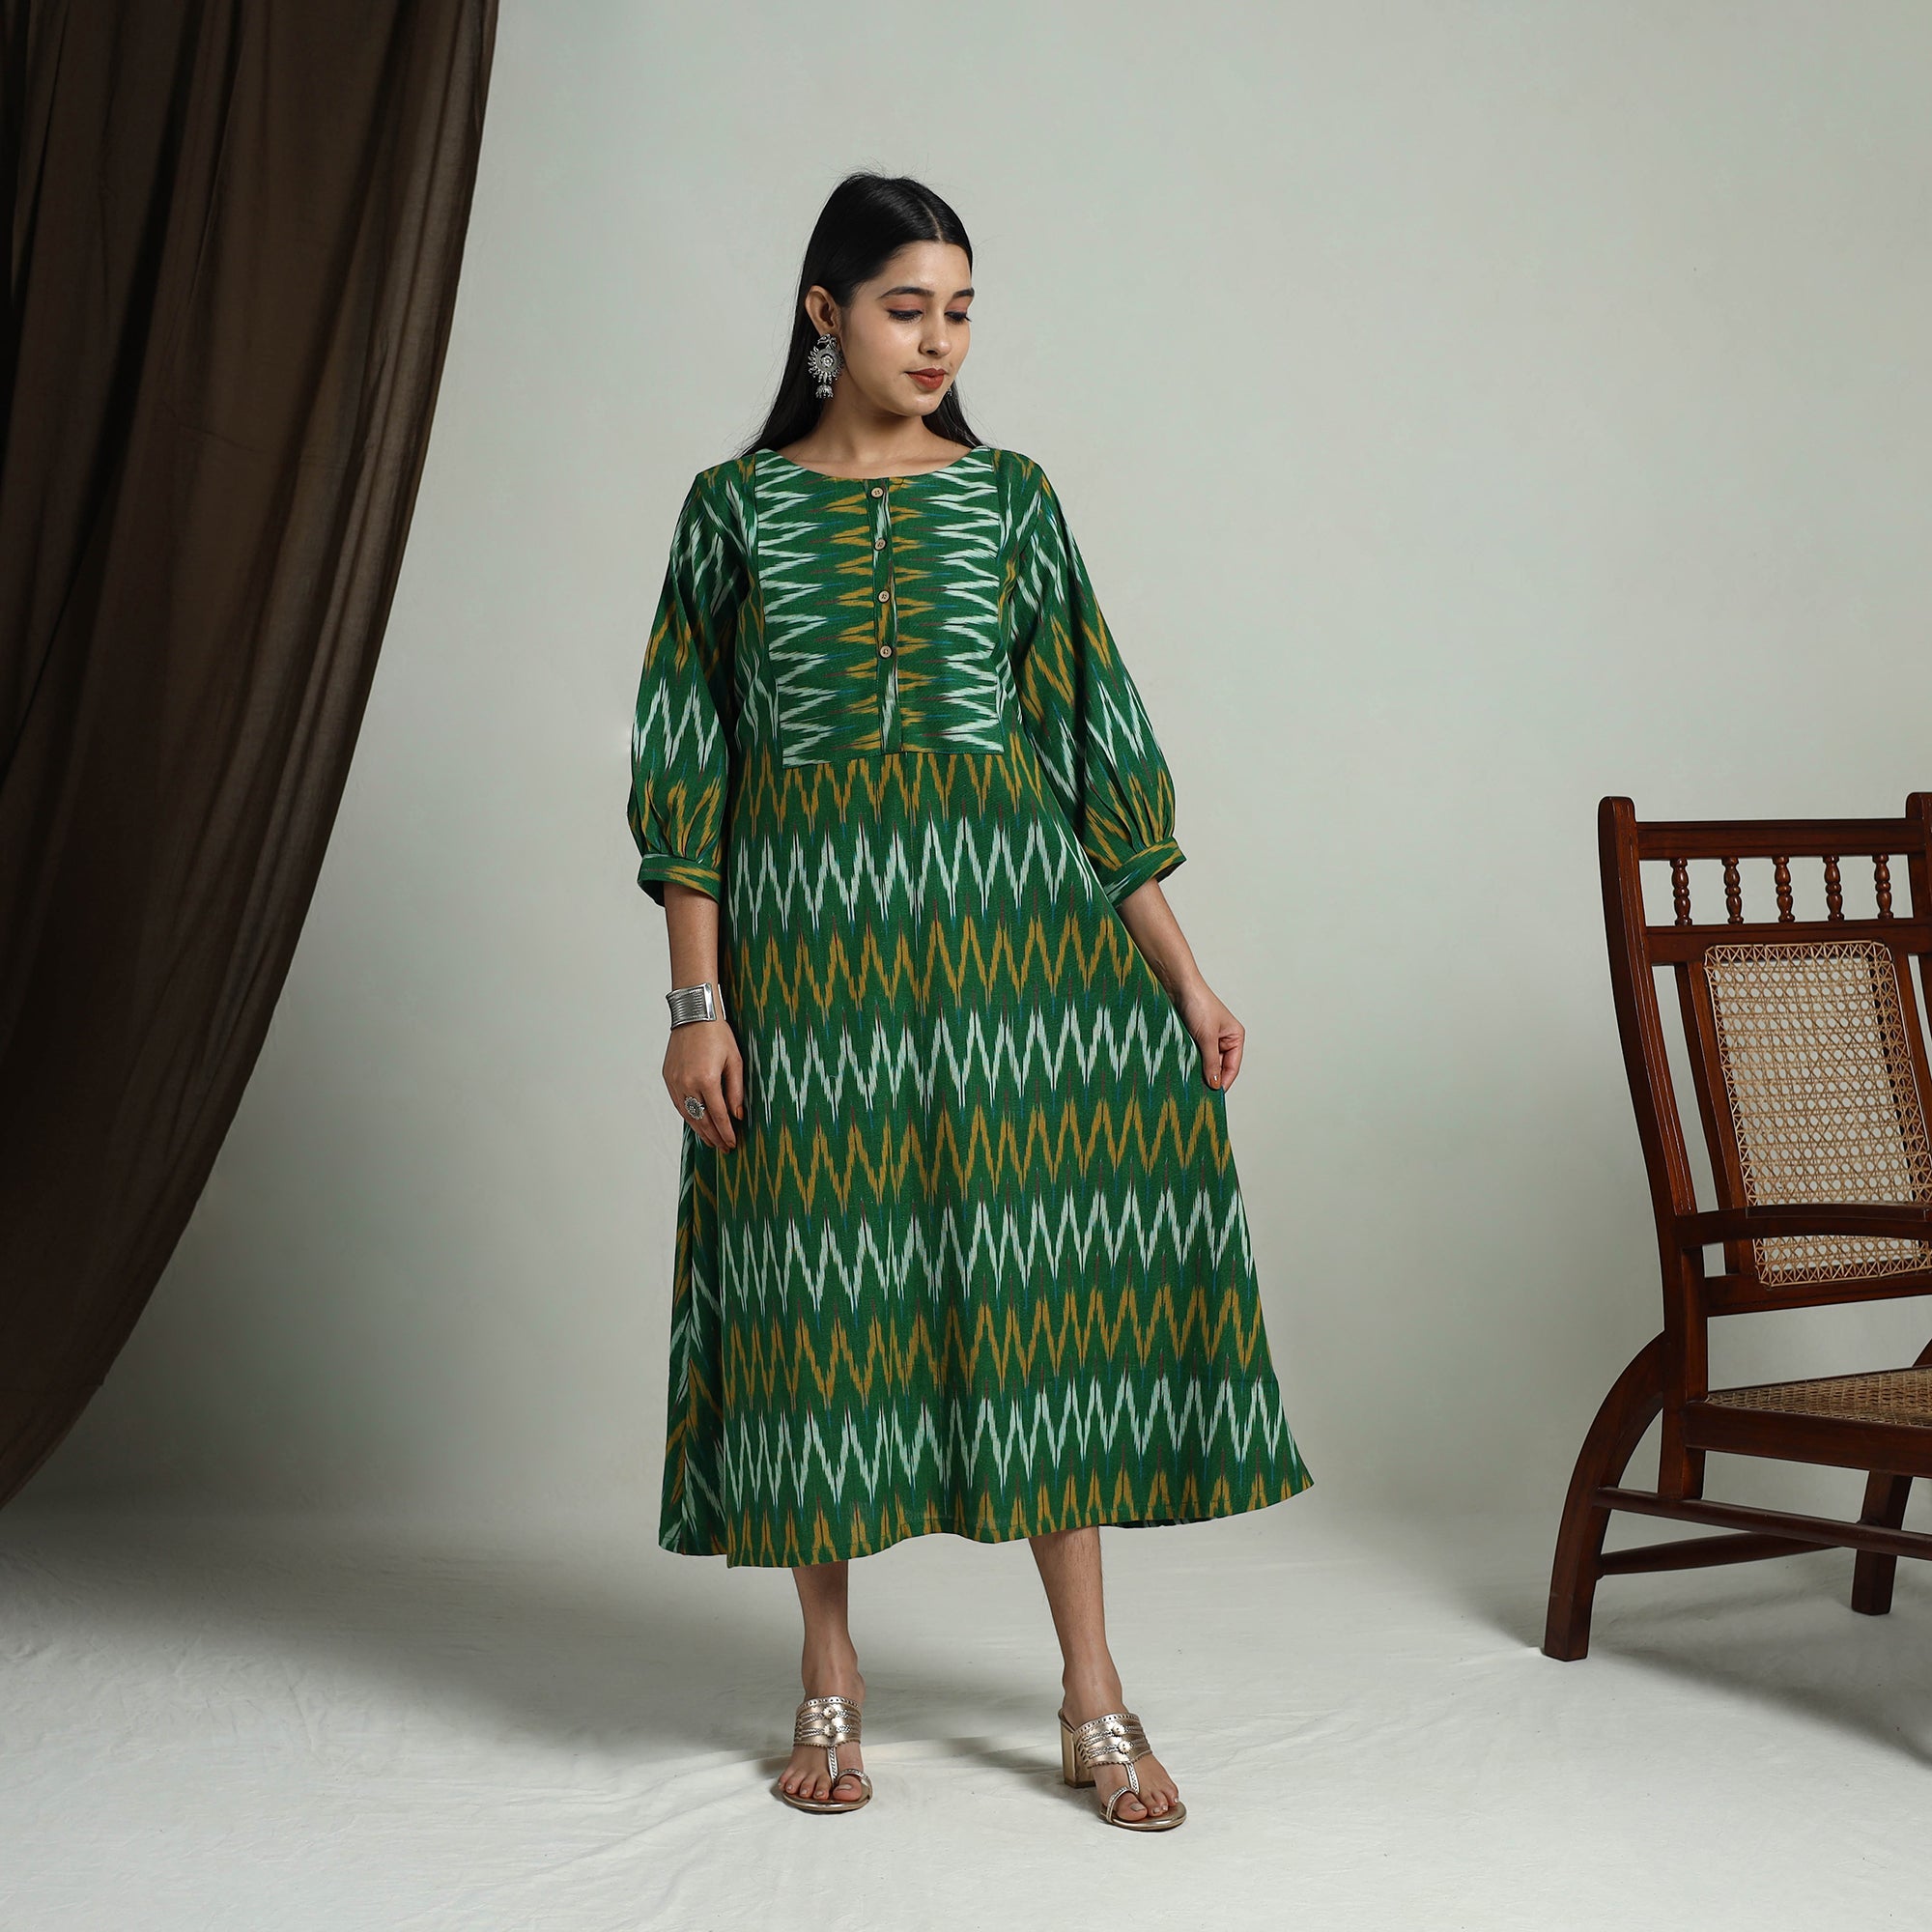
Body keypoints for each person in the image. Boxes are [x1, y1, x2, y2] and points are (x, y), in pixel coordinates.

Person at [627, 171, 1311, 1832]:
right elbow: (689, 769)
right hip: (813, 969)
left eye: (959, 312)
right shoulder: (732, 512)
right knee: (816, 1302)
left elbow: (1087, 743)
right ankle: (829, 1671)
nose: (937, 341)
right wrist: (695, 1003)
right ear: (824, 314)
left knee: (1037, 1294)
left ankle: (1092, 1692)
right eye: (904, 308)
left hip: (1020, 972)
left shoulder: (1011, 501)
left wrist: (1186, 973)